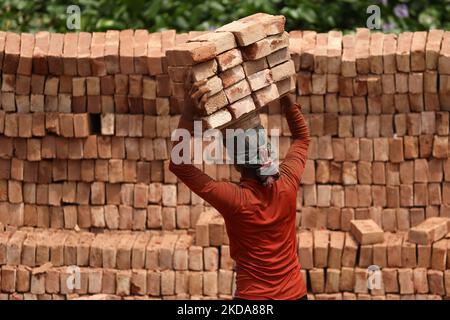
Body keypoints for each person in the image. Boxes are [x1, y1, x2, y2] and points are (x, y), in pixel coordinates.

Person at [169, 79, 311, 300]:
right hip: (296, 294)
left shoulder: (236, 201)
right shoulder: (288, 182)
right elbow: (302, 139)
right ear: (267, 150)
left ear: (236, 163)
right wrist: (285, 97)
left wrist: (188, 116)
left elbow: (179, 165)